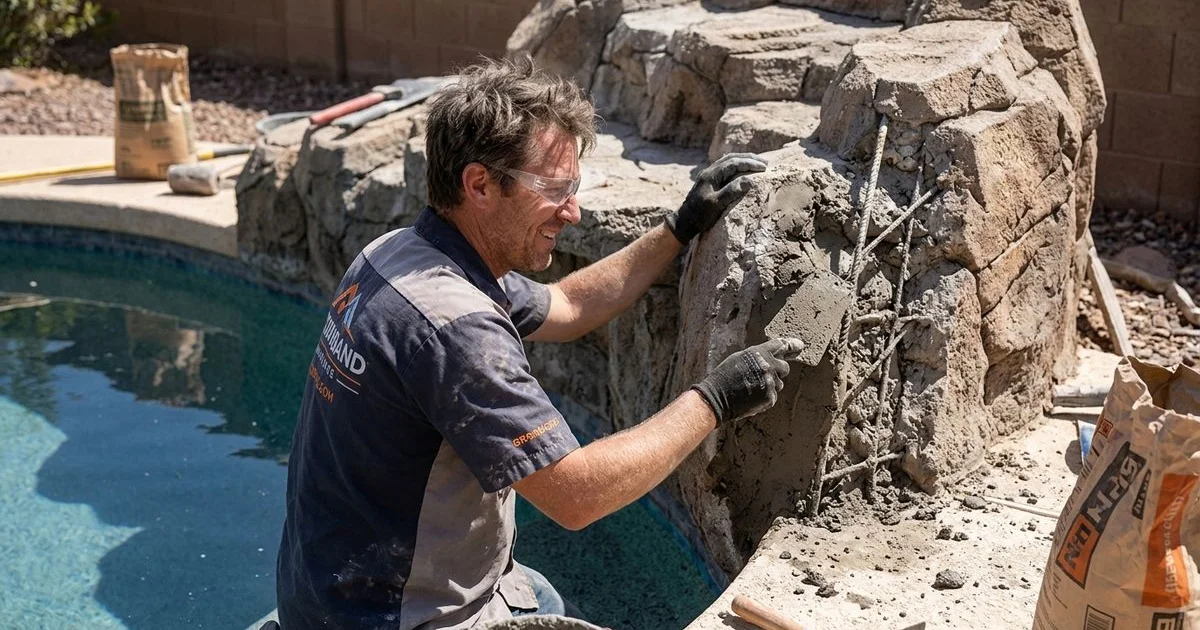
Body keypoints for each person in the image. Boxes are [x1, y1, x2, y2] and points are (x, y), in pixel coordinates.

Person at [275, 57, 804, 630]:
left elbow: (569, 306)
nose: (572, 212)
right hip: (397, 618)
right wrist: (715, 400)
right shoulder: (456, 331)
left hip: (330, 596)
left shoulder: (397, 254)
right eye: (553, 189)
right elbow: (577, 496)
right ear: (479, 184)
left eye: (573, 188)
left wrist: (679, 227)